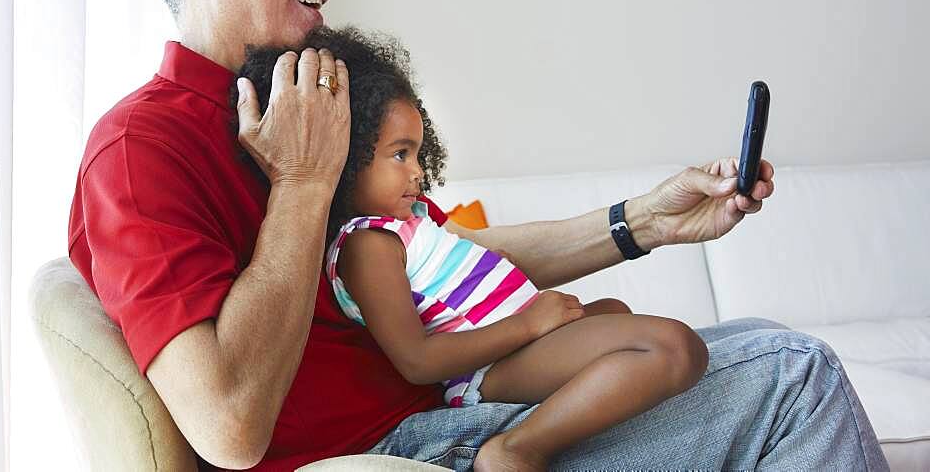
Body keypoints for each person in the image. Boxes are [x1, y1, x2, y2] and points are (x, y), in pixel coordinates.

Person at [67, 0, 889, 471]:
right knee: (792, 373)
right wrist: (304, 185)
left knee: (761, 338)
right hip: (405, 448)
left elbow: (420, 260)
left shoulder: (297, 99)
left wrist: (641, 223)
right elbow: (228, 427)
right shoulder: (143, 151)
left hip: (446, 407)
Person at [236, 27, 712, 472]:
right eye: (399, 155)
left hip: (518, 340)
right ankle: (517, 448)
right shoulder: (366, 245)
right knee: (675, 346)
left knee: (615, 311)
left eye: (419, 154)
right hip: (487, 369)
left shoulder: (411, 221)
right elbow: (417, 361)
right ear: (347, 157)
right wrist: (529, 323)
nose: (418, 171)